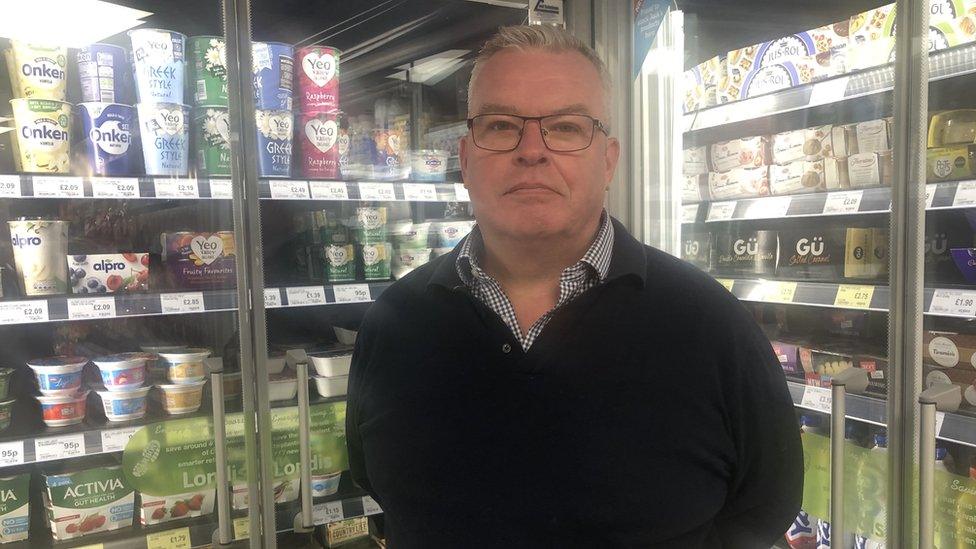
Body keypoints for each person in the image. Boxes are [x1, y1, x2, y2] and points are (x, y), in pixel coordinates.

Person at [346, 24, 802, 548]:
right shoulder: (393, 325)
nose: (532, 150)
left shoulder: (714, 325)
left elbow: (766, 505)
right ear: (467, 160)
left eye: (564, 127)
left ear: (607, 161)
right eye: (500, 126)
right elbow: (374, 480)